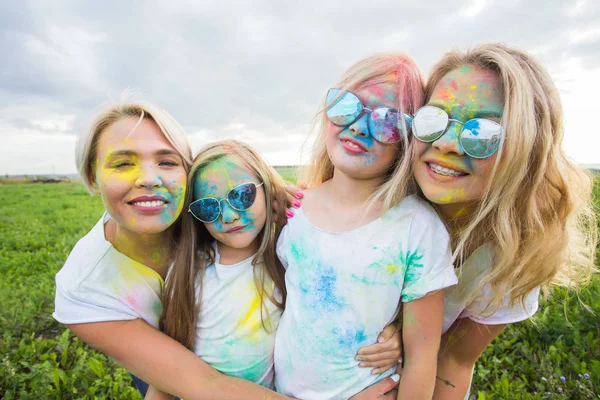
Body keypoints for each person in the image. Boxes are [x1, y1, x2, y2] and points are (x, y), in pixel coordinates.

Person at [53, 99, 401, 400]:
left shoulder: (232, 224)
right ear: (91, 175)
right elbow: (195, 383)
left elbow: (346, 275)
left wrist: (390, 328)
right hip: (180, 368)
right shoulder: (83, 287)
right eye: (122, 162)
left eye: (167, 161)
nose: (148, 178)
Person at [408, 43, 598, 399]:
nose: (447, 143)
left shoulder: (518, 249)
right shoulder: (376, 202)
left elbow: (453, 362)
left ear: (529, 149)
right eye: (435, 118)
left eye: (484, 132)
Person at [274, 53, 458, 399]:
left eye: (387, 120)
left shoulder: (416, 227)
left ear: (408, 139)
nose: (358, 126)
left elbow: (421, 357)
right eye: (347, 106)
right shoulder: (295, 209)